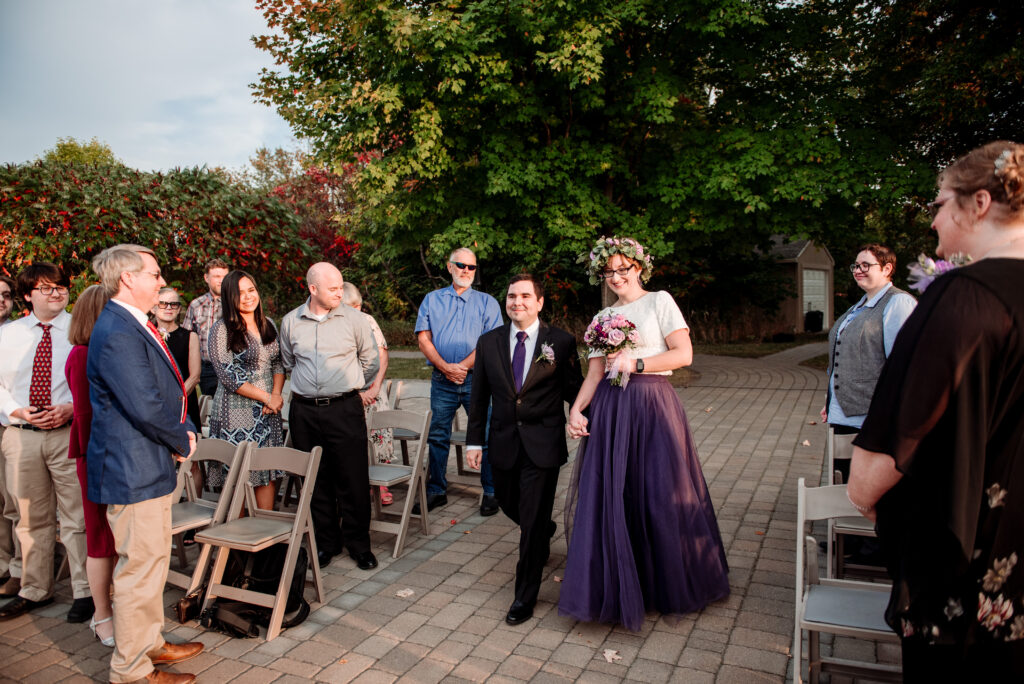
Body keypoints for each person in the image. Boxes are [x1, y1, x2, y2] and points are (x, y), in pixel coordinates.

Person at [848, 141, 1024, 679]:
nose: (934, 223)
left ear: (980, 204)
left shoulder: (961, 298)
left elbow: (884, 455)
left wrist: (866, 495)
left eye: (940, 204)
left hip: (968, 559)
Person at [561, 236, 729, 631]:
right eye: (609, 271)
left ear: (639, 267)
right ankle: (619, 581)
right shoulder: (602, 316)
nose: (617, 276)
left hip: (652, 404)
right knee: (615, 494)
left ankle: (662, 584)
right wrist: (577, 408)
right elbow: (596, 372)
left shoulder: (660, 301)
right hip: (612, 409)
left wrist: (636, 363)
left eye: (624, 268)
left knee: (659, 492)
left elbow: (683, 355)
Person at [88, 244, 203, 684]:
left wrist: (183, 425)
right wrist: (183, 437)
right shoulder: (118, 329)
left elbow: (169, 389)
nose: (161, 281)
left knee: (151, 562)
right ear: (127, 279)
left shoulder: (134, 323)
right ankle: (132, 670)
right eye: (154, 274)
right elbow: (143, 403)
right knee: (138, 569)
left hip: (147, 461)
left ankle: (150, 642)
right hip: (130, 467)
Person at [465, 273, 582, 625]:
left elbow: (573, 390)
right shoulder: (488, 342)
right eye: (512, 296)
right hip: (503, 442)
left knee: (530, 524)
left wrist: (592, 419)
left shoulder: (559, 342)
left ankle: (524, 596)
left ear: (540, 302)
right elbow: (479, 396)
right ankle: (544, 529)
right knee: (505, 499)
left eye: (525, 296)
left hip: (542, 445)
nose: (518, 302)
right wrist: (474, 440)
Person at [0, 263, 91, 623]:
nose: (56, 293)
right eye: (46, 288)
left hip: (66, 434)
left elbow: (91, 379)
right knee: (29, 517)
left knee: (76, 516)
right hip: (21, 437)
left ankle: (85, 591)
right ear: (27, 295)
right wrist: (17, 411)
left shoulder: (80, 330)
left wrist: (71, 407)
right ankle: (35, 590)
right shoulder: (9, 335)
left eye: (61, 287)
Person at [279, 263, 380, 571]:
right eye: (333, 288)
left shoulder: (355, 320)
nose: (340, 292)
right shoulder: (291, 322)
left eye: (340, 286)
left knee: (352, 478)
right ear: (313, 289)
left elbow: (371, 361)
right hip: (304, 411)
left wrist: (346, 386)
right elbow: (287, 362)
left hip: (344, 408)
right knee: (315, 478)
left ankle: (359, 545)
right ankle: (326, 543)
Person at [414, 248, 503, 516]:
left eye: (471, 267)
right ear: (449, 266)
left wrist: (462, 368)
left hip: (478, 381)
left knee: (486, 435)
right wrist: (445, 367)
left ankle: (490, 491)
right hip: (442, 381)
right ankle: (436, 490)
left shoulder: (488, 302)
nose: (466, 271)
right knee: (438, 436)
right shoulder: (432, 299)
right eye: (460, 265)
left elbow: (491, 342)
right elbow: (423, 338)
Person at [822, 244, 916, 483]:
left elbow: (901, 364)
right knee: (842, 481)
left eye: (867, 265)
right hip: (842, 413)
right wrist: (829, 399)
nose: (859, 270)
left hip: (870, 415)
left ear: (887, 268)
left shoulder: (898, 303)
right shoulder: (858, 306)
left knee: (865, 485)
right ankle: (843, 519)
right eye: (856, 265)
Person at [65, 284, 117, 647]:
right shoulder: (83, 355)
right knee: (100, 539)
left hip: (104, 455)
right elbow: (87, 415)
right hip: (97, 457)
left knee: (111, 539)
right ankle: (101, 616)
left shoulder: (94, 353)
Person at [208, 271, 285, 510]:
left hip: (269, 411)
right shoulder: (221, 329)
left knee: (266, 469)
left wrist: (276, 395)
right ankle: (238, 541)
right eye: (240, 293)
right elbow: (230, 376)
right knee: (240, 474)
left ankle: (265, 539)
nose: (248, 297)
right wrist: (267, 397)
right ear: (229, 298)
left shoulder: (268, 323)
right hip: (236, 411)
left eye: (251, 290)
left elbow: (278, 363)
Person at [342, 282, 394, 505]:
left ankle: (381, 484)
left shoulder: (368, 321)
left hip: (372, 390)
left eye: (357, 307)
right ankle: (360, 483)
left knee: (379, 436)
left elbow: (382, 356)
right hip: (349, 393)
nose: (356, 312)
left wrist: (374, 388)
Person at [182, 258, 229, 397]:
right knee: (210, 409)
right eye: (217, 276)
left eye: (225, 277)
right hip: (207, 369)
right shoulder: (196, 305)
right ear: (206, 278)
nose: (221, 280)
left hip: (231, 367)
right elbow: (187, 339)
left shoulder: (236, 304)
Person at [0, 274, 20, 593]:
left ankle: (17, 566)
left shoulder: (20, 334)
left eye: (5, 294)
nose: (2, 299)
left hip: (8, 424)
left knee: (13, 499)